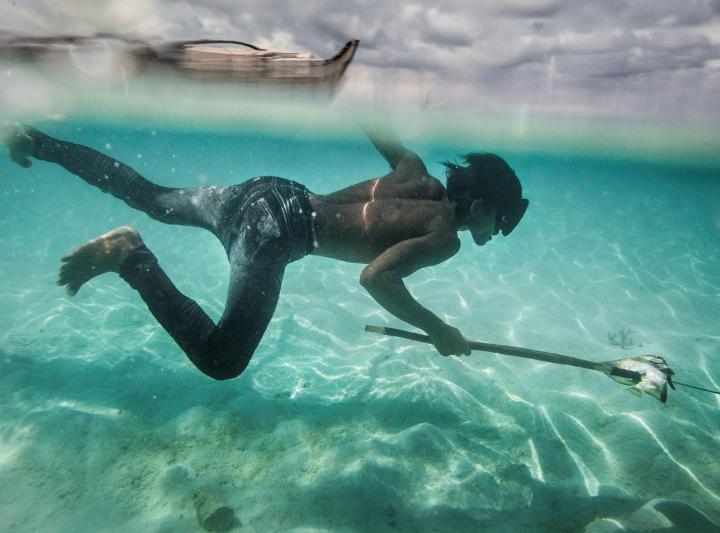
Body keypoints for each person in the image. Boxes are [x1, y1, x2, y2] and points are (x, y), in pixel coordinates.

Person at [2, 124, 528, 380]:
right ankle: (129, 256)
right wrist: (437, 329)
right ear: (478, 203)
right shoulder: (444, 236)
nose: (495, 233)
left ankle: (37, 142)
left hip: (269, 192)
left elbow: (370, 116)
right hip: (275, 232)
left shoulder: (412, 167)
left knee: (153, 198)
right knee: (222, 361)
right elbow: (377, 279)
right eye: (498, 221)